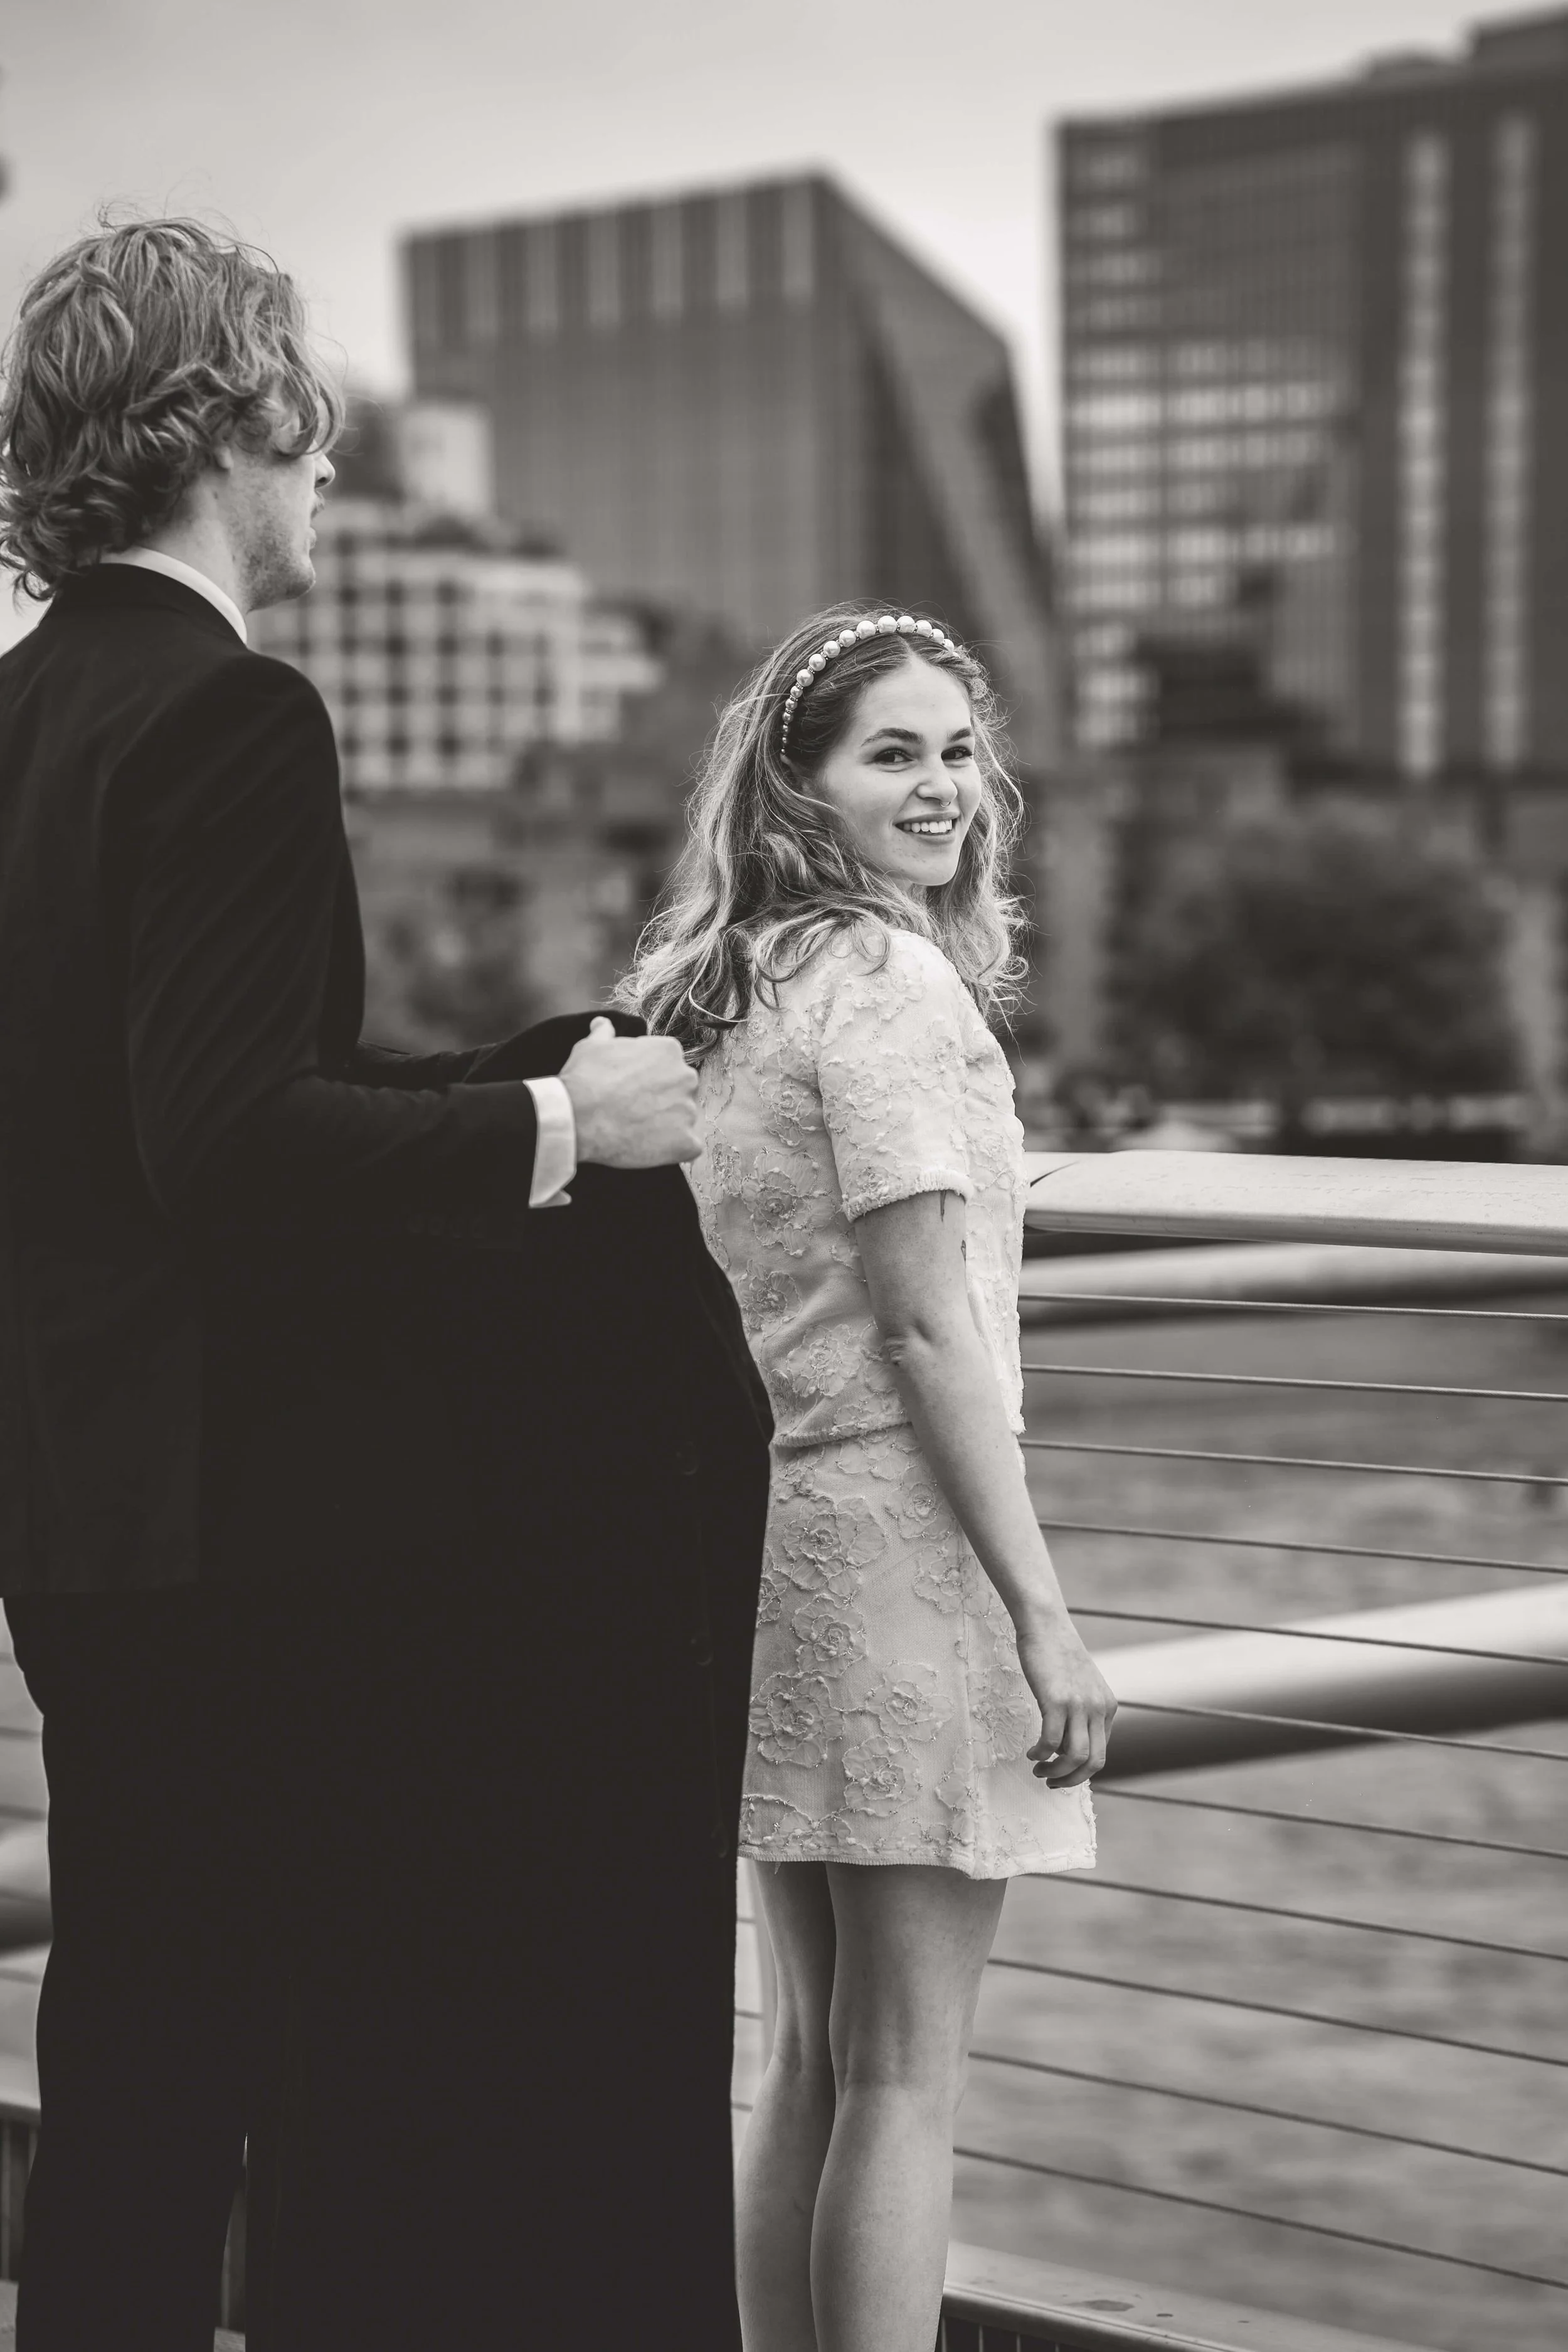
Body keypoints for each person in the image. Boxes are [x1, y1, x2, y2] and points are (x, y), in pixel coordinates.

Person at [0, 216, 769, 2351]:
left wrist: (498, 1068)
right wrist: (565, 1132)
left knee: (133, 2052)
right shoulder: (232, 715)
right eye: (308, 421)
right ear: (230, 426)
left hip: (70, 1504)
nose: (329, 464)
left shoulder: (19, 715)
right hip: (246, 1528)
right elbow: (229, 1143)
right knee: (262, 2062)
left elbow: (111, 1118)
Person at [620, 607, 1118, 2352]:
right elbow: (924, 1326)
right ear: (799, 781)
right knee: (903, 2068)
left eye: (957, 750)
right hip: (901, 1551)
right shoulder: (895, 987)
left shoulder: (729, 988)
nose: (939, 787)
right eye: (889, 752)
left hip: (772, 1547)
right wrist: (1043, 1615)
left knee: (813, 2051)